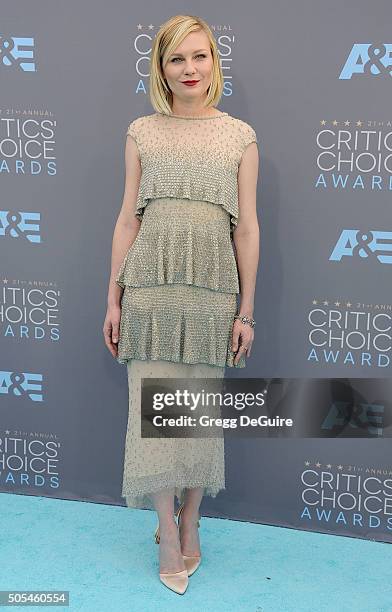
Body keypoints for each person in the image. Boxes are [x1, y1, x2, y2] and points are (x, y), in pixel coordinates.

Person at [103, 14, 259, 595]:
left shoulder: (240, 136)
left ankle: (193, 522)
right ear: (161, 69)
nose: (190, 69)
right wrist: (113, 298)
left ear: (215, 62)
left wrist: (245, 311)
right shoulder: (142, 131)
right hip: (150, 287)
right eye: (177, 59)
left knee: (195, 415)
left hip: (212, 293)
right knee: (155, 415)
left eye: (200, 56)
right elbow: (127, 219)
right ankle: (166, 531)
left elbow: (247, 230)